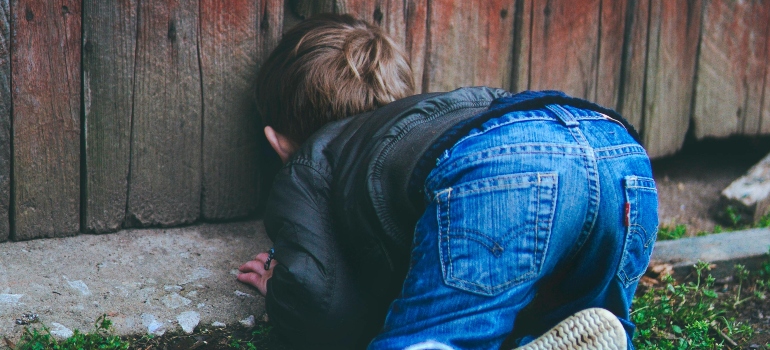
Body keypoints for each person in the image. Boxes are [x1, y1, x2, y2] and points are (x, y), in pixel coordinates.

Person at [237, 13, 658, 350]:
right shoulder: (433, 115)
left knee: (437, 334)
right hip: (616, 152)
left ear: (277, 143)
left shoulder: (311, 164)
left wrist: (282, 290)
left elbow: (323, 307)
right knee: (537, 303)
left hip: (501, 168)